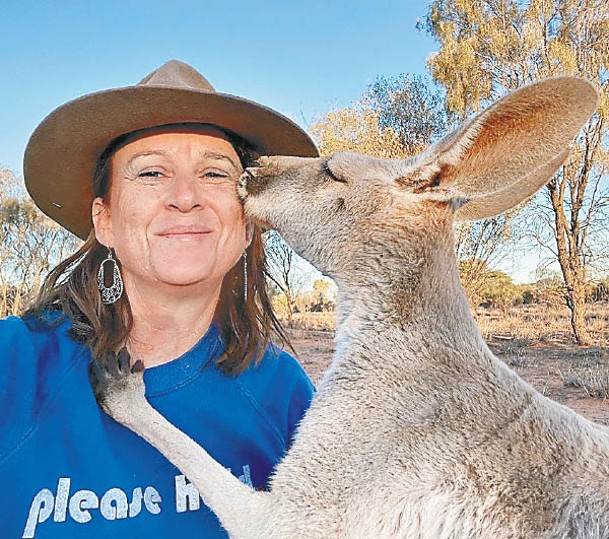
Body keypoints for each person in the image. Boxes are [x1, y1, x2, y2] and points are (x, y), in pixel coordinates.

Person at [1, 60, 319, 538]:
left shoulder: (285, 395)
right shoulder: (15, 366)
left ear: (249, 220)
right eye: (151, 172)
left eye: (215, 174)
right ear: (104, 220)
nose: (185, 196)